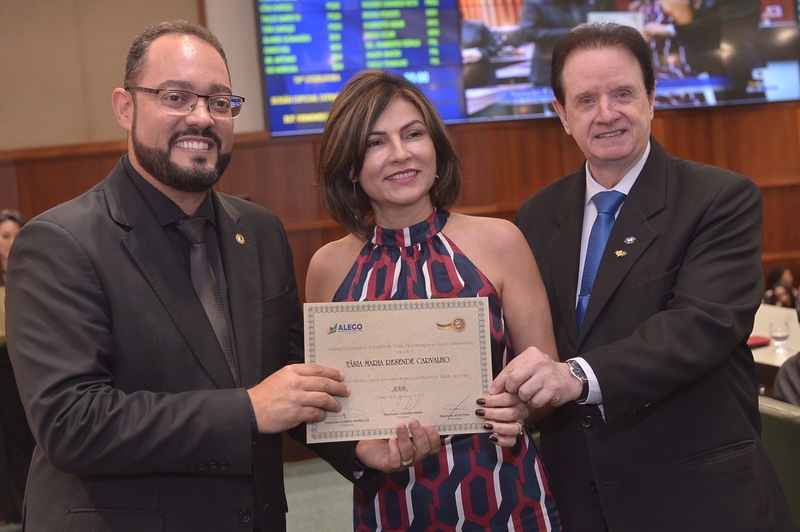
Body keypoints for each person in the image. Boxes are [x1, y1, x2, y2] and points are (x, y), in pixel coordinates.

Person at [4, 20, 426, 531]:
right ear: (125, 107)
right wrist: (246, 410)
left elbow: (293, 380)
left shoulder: (261, 231)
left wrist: (358, 446)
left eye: (219, 102)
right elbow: (71, 423)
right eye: (176, 97)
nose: (202, 117)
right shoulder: (60, 243)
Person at [492, 22, 796, 530]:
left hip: (697, 501)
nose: (606, 113)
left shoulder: (720, 198)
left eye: (623, 94)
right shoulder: (536, 216)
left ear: (652, 98)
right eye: (586, 100)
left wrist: (573, 377)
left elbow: (700, 327)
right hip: (579, 501)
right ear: (562, 115)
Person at [307, 70, 562, 531]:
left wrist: (522, 406)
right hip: (388, 506)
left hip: (504, 499)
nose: (400, 153)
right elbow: (329, 409)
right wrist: (363, 448)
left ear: (436, 148)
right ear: (350, 166)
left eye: (413, 134)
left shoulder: (501, 242)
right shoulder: (328, 268)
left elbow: (548, 383)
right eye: (375, 142)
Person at [0, 209, 34, 525]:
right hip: (5, 370)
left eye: (16, 234)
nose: (11, 242)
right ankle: (20, 514)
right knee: (17, 444)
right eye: (5, 236)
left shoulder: (38, 272)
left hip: (36, 360)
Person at [517, 0, 613, 87]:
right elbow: (526, 33)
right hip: (548, 69)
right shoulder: (535, 2)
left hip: (582, 69)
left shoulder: (585, 2)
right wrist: (569, 33)